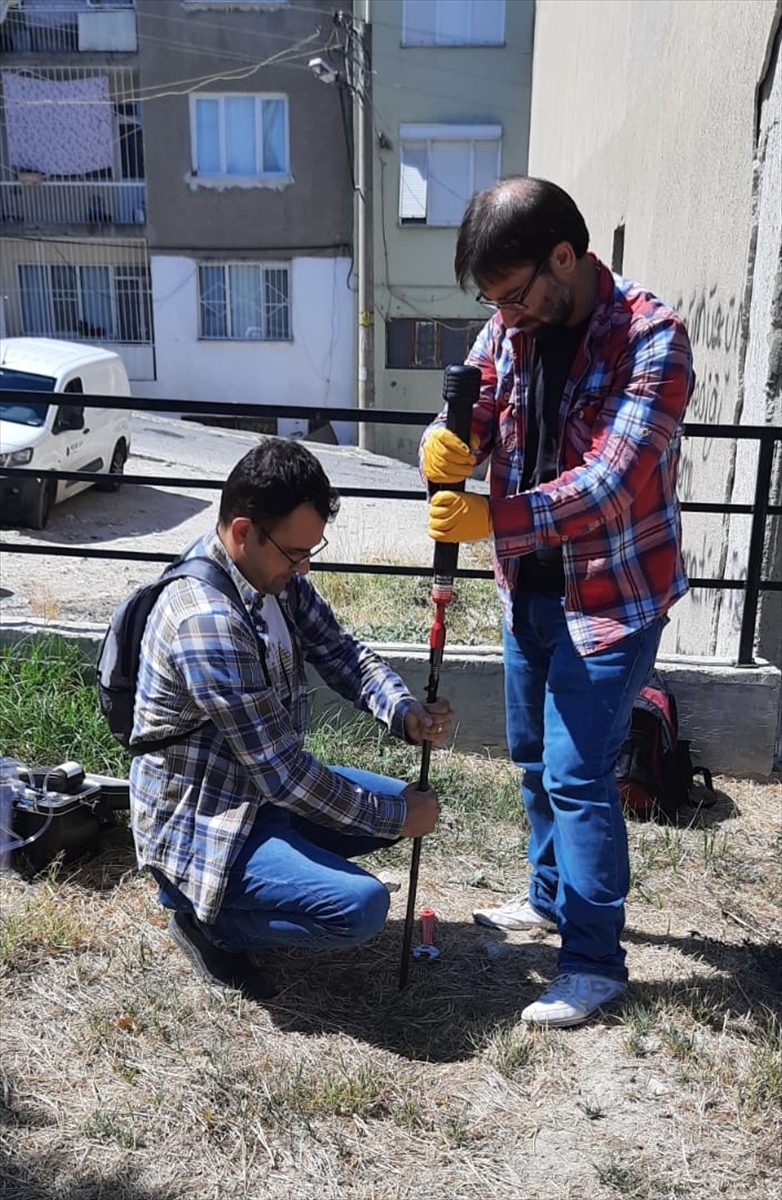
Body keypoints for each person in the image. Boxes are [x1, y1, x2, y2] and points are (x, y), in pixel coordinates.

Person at [421, 177, 693, 1028]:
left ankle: (593, 964)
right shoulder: (511, 327)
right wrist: (455, 437)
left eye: (512, 296)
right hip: (529, 589)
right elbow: (490, 412)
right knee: (535, 759)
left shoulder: (651, 338)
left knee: (581, 776)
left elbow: (613, 484)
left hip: (610, 597)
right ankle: (546, 897)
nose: (502, 317)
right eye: (491, 301)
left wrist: (490, 514)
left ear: (564, 259)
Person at [129, 439, 450, 998]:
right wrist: (395, 818)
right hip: (209, 820)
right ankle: (204, 917)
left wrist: (401, 710)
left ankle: (256, 881)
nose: (303, 567)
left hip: (260, 794)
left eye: (310, 551)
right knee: (361, 906)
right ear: (242, 531)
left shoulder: (270, 578)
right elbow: (285, 774)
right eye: (294, 552)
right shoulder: (207, 621)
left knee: (404, 796)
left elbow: (342, 653)